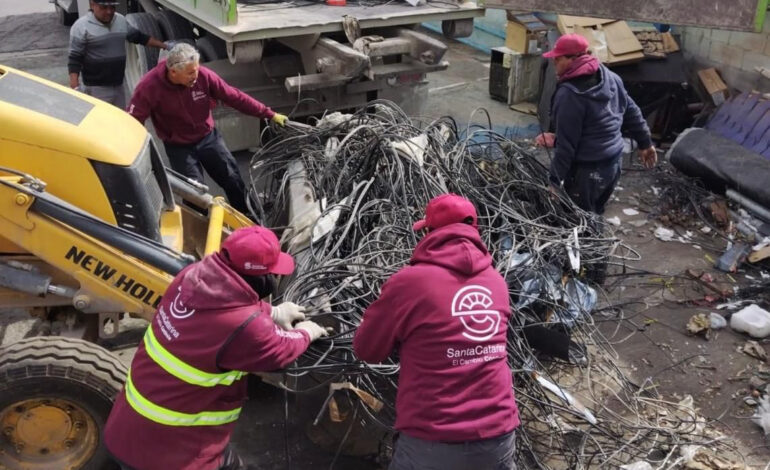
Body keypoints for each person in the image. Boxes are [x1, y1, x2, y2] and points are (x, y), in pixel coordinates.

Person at [103, 225, 328, 470]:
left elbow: (226, 306)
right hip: (171, 453)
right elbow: (280, 350)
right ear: (259, 278)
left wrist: (272, 312)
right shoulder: (245, 328)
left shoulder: (190, 278)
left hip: (128, 428)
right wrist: (307, 332)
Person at [354, 194, 520, 470]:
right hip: (499, 435)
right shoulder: (497, 281)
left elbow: (367, 349)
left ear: (430, 233)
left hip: (433, 439)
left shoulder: (409, 283)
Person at [127, 43, 288, 215]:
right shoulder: (149, 86)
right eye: (190, 73)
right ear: (174, 72)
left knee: (232, 179)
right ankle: (200, 233)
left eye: (196, 69)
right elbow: (133, 121)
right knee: (194, 195)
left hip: (208, 138)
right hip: (179, 148)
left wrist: (268, 114)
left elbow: (234, 97)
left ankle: (250, 216)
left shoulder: (203, 76)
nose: (195, 75)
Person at [536, 34, 657, 214]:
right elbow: (631, 109)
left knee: (579, 221)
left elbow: (566, 148)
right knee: (595, 212)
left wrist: (554, 182)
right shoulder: (609, 76)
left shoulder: (570, 95)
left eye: (557, 59)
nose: (554, 65)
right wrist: (645, 143)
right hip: (613, 165)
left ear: (572, 59)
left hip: (588, 172)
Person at [68, 0, 169, 108]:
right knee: (101, 122)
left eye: (112, 7)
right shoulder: (81, 27)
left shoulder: (120, 20)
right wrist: (74, 85)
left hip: (118, 87)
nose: (109, 11)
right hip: (95, 89)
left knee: (119, 120)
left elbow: (139, 37)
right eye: (104, 7)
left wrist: (165, 46)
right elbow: (75, 58)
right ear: (92, 5)